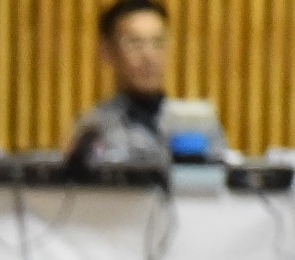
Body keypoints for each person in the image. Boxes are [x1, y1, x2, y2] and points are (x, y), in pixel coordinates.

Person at [69, 0, 228, 176]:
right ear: (108, 51)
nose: (149, 56)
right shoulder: (93, 129)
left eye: (158, 43)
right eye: (134, 43)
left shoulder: (198, 124)